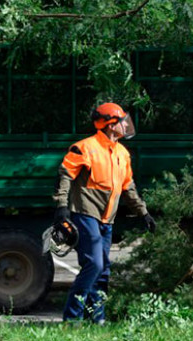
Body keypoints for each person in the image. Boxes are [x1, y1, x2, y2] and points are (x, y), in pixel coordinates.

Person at [53, 102, 156, 324]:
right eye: (122, 121)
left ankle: (96, 319)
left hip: (107, 219)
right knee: (95, 265)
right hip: (85, 213)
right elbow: (65, 176)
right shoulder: (84, 147)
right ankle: (72, 319)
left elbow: (128, 186)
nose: (126, 125)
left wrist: (143, 213)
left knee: (103, 269)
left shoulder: (122, 153)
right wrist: (62, 207)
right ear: (110, 125)